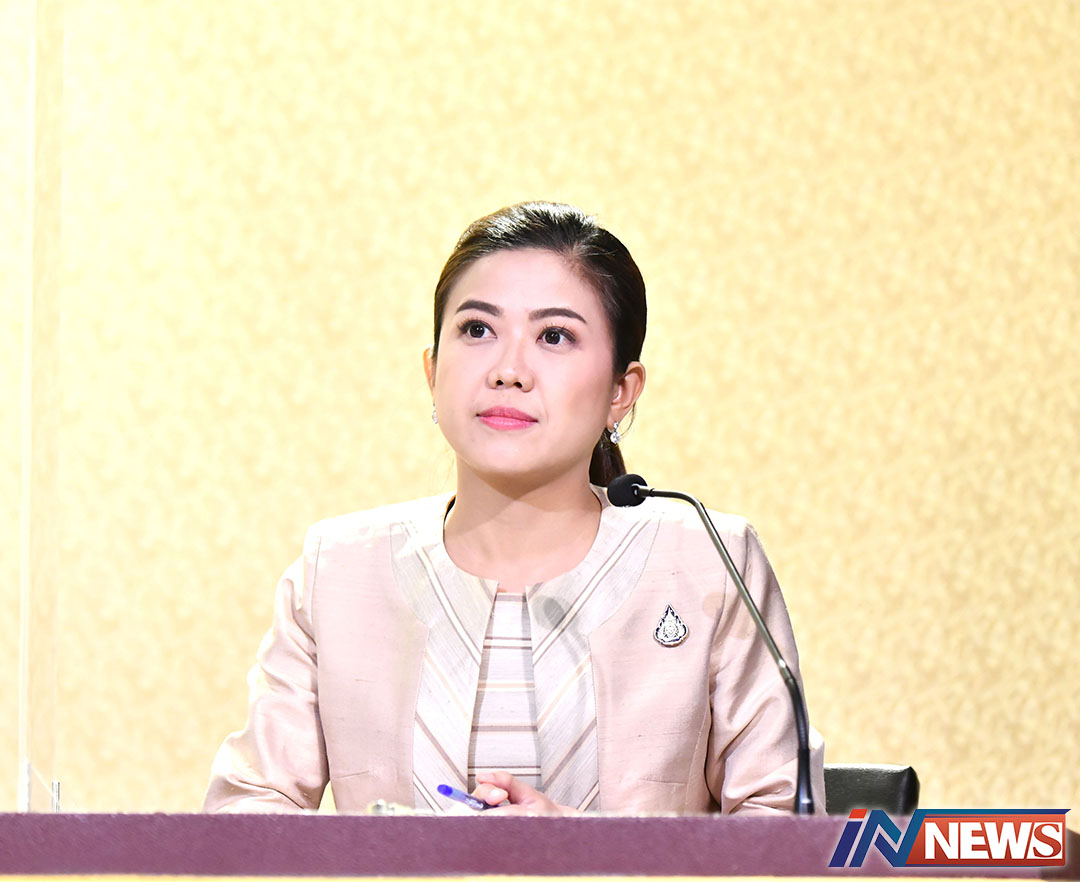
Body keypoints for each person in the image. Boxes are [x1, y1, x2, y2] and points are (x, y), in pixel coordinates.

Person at [203, 201, 825, 815]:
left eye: (555, 336)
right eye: (478, 330)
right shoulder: (338, 570)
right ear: (432, 371)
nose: (508, 370)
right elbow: (249, 811)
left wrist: (586, 855)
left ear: (621, 390)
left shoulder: (710, 561)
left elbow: (780, 826)